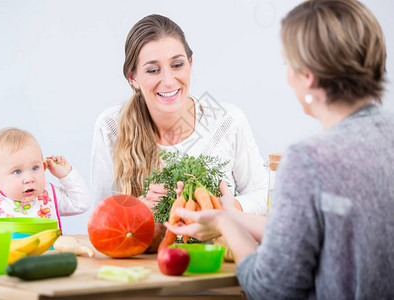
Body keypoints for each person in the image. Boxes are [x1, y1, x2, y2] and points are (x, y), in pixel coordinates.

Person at [166, 0, 394, 298]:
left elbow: (271, 288)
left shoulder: (308, 161)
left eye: (288, 63)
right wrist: (229, 214)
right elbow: (305, 236)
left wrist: (225, 223)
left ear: (308, 76)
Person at [90, 14, 268, 215]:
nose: (168, 81)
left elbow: (261, 194)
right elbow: (100, 217)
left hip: (216, 246)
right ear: (133, 78)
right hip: (148, 247)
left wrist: (226, 208)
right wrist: (138, 208)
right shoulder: (112, 126)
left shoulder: (225, 119)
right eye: (153, 70)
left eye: (177, 65)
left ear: (190, 63)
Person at [0, 127, 90, 243]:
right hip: (7, 268)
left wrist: (66, 175)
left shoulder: (49, 195)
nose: (29, 178)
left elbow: (81, 203)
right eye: (17, 171)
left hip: (50, 266)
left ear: (44, 167)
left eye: (35, 168)